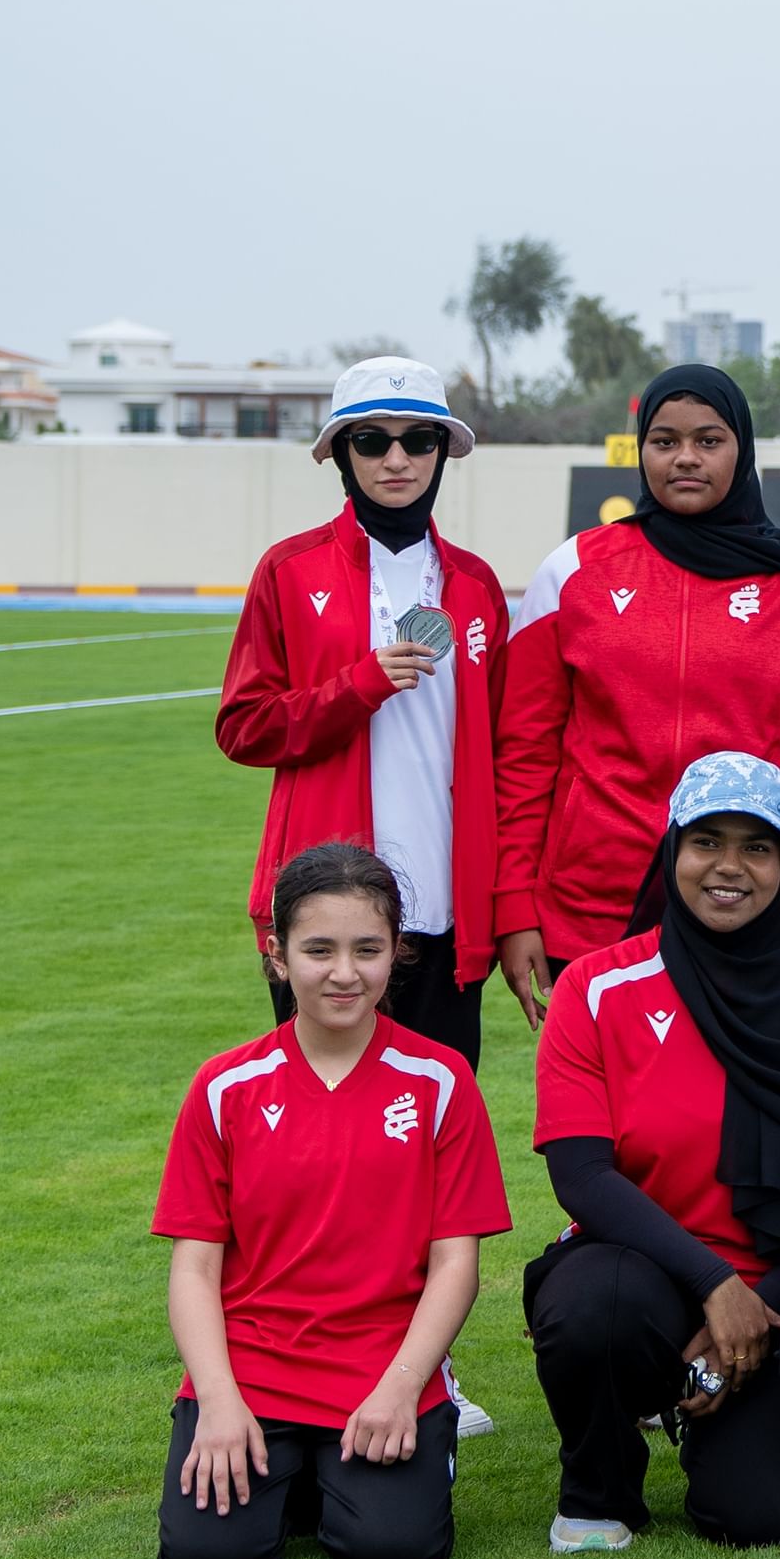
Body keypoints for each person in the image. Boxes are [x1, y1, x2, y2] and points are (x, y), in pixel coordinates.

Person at [522, 754, 780, 1552]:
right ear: (671, 850)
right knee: (591, 1306)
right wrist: (717, 1286)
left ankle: (719, 1415)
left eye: (758, 848)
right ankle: (599, 1493)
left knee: (767, 1519)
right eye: (706, 841)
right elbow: (581, 1174)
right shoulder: (598, 986)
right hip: (643, 1271)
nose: (729, 868)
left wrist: (758, 1306)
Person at [154, 842, 508, 1559]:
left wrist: (401, 1387)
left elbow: (456, 1264)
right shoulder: (226, 1086)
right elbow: (194, 1265)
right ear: (277, 955)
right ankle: (299, 1471)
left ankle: (336, 1476)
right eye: (319, 949)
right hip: (252, 1369)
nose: (345, 973)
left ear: (396, 954)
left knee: (394, 1552)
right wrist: (217, 1401)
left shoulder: (441, 1081)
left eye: (367, 949)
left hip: (380, 1364)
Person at [492, 364, 780, 1024]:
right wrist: (515, 908)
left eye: (709, 440)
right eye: (664, 441)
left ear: (740, 449)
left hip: (745, 907)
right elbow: (524, 753)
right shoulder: (572, 572)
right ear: (642, 451)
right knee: (594, 1116)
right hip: (588, 910)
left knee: (727, 1119)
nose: (686, 457)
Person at [218, 356, 508, 1068]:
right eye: (373, 440)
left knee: (436, 1121)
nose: (398, 458)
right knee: (322, 1122)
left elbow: (508, 757)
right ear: (342, 455)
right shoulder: (289, 570)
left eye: (420, 440)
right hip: (324, 909)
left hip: (444, 909)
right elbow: (243, 726)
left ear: (443, 453)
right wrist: (357, 686)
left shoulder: (476, 585)